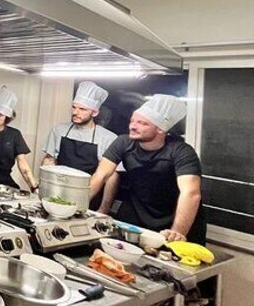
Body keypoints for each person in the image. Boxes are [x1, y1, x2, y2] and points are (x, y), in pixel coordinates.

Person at [89, 95, 207, 244]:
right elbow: (101, 175)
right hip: (137, 210)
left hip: (175, 216)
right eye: (132, 121)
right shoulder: (123, 143)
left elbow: (191, 193)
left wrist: (177, 232)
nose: (132, 126)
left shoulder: (181, 151)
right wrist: (79, 207)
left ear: (160, 129)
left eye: (142, 123)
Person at [42, 81, 119, 208]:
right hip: (57, 195)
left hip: (90, 201)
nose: (75, 112)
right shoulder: (59, 130)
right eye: (74, 107)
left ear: (95, 113)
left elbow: (111, 177)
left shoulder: (108, 138)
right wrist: (44, 191)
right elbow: (49, 160)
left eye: (82, 109)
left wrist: (103, 209)